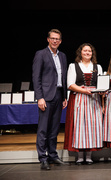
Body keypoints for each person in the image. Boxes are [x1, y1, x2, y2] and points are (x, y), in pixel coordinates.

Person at [32, 29, 68, 170]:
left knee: (54, 129)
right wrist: (39, 97)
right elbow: (36, 78)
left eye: (57, 39)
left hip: (59, 95)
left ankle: (53, 155)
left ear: (60, 41)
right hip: (46, 97)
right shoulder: (41, 54)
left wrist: (65, 96)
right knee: (43, 129)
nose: (55, 41)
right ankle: (43, 158)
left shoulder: (63, 56)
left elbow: (63, 78)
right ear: (48, 39)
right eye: (52, 38)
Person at [64, 43, 103, 165]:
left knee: (92, 127)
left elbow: (101, 83)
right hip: (79, 99)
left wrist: (102, 90)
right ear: (80, 52)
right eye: (85, 51)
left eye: (89, 51)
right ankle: (80, 156)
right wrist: (84, 90)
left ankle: (89, 155)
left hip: (94, 99)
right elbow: (70, 84)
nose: (87, 53)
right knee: (80, 127)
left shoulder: (98, 67)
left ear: (92, 53)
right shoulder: (73, 66)